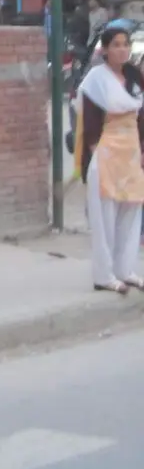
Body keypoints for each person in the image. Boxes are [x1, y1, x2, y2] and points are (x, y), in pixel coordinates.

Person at [74, 25, 144, 294]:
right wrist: (96, 153)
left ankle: (125, 270)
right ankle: (104, 276)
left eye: (126, 44)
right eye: (116, 44)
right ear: (104, 49)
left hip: (132, 152)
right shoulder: (95, 79)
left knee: (131, 209)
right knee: (105, 215)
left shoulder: (134, 75)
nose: (122, 49)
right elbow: (90, 122)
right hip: (106, 150)